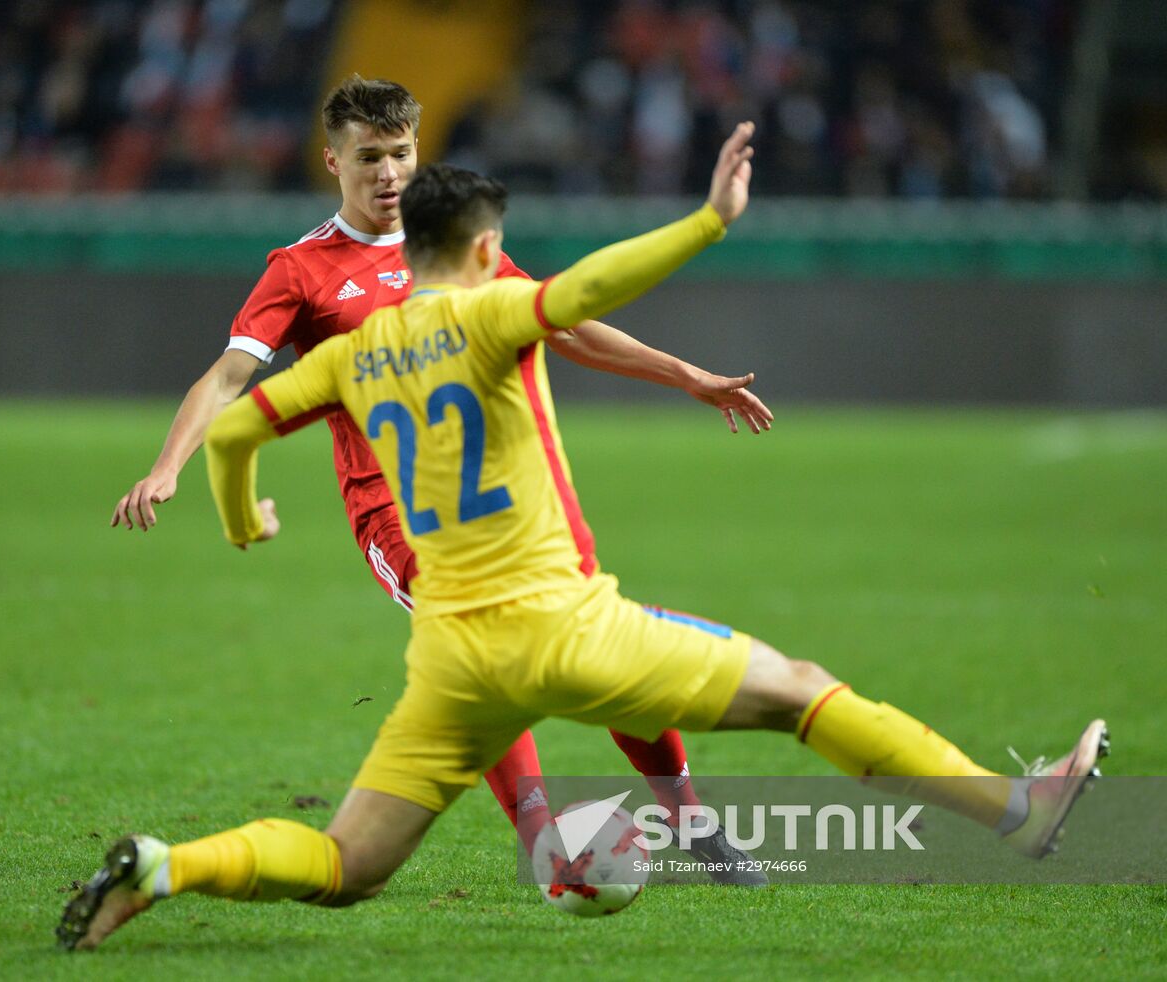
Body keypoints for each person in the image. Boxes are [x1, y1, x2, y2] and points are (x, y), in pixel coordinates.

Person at [58, 124, 1106, 951]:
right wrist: (707, 221)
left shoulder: (353, 351)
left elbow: (235, 425)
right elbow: (591, 288)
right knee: (799, 687)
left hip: (453, 665)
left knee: (346, 864)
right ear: (481, 251)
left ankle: (164, 866)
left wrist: (246, 520)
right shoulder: (495, 311)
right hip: (564, 628)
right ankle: (1018, 810)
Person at [108, 75, 772, 872]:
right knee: (488, 649)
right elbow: (226, 378)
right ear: (333, 161)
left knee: (593, 641)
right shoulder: (302, 270)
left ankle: (691, 823)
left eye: (399, 154)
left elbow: (563, 326)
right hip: (395, 514)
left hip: (502, 501)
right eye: (368, 158)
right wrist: (167, 466)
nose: (387, 174)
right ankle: (543, 843)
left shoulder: (452, 243)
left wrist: (687, 375)